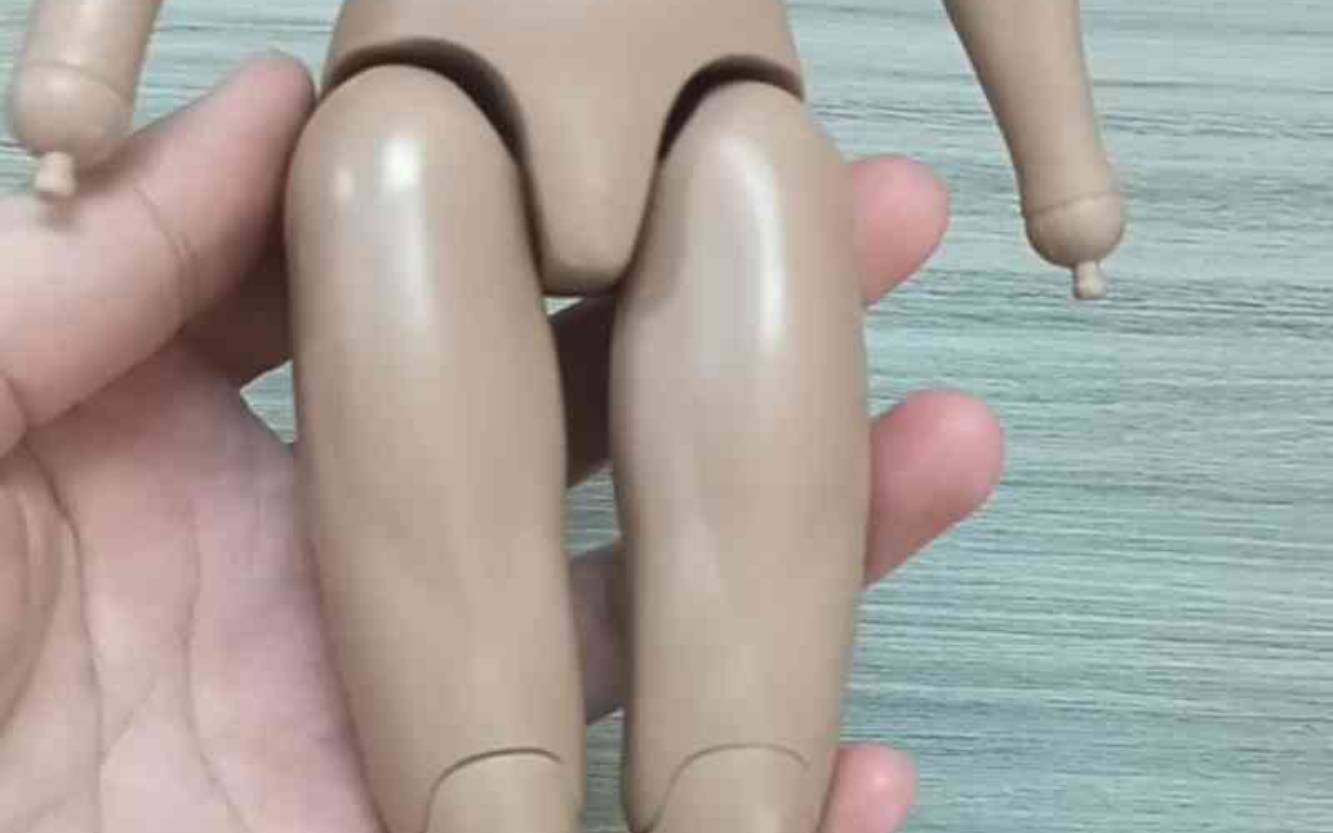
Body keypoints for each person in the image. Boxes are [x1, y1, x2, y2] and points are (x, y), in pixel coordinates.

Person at [0, 55, 1005, 832]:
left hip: (718, 91)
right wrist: (81, 66)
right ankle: (476, 776)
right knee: (385, 168)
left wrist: (1063, 173)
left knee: (762, 180)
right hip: (422, 83)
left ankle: (740, 773)